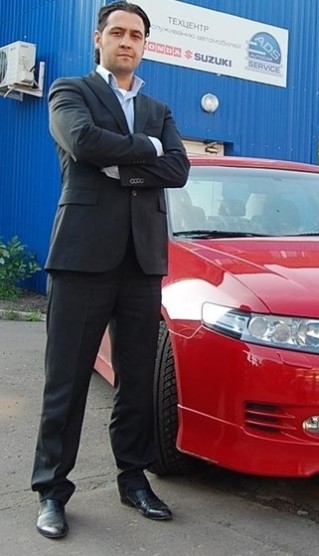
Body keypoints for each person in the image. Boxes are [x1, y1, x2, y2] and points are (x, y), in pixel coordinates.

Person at [31, 1, 190, 539]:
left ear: (145, 44)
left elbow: (178, 168)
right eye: (117, 32)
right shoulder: (70, 92)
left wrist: (123, 167)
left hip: (142, 263)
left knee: (137, 379)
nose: (127, 41)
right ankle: (52, 490)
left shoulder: (157, 108)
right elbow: (82, 141)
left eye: (136, 35)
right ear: (98, 38)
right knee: (67, 380)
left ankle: (134, 479)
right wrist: (146, 152)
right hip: (81, 259)